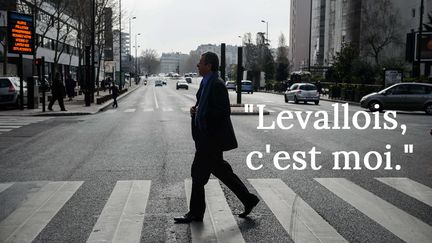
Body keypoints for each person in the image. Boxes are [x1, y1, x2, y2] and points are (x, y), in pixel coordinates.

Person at [174, 52, 259, 224]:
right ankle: (248, 199)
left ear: (209, 65)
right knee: (222, 172)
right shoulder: (207, 83)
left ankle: (196, 213)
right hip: (206, 139)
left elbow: (223, 111)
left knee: (198, 175)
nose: (198, 65)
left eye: (200, 63)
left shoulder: (216, 84)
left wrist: (203, 115)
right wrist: (195, 110)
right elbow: (202, 106)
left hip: (210, 140)